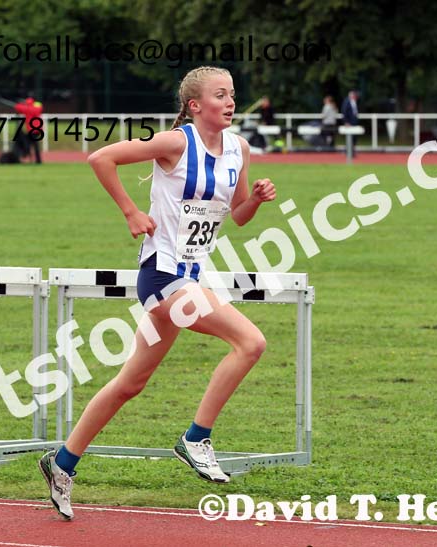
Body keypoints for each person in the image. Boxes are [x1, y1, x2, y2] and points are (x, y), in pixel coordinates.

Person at [38, 66, 277, 521]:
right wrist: (130, 211)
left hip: (191, 276)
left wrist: (257, 200)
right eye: (220, 95)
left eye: (232, 94)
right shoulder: (175, 143)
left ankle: (62, 463)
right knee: (250, 342)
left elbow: (239, 216)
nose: (230, 102)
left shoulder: (239, 149)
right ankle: (195, 437)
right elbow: (100, 159)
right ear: (194, 106)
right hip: (162, 276)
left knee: (131, 382)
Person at [14, 97, 43, 164]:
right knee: (34, 145)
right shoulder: (37, 108)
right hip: (38, 130)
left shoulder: (27, 109)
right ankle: (37, 160)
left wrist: (20, 104)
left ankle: (25, 154)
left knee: (26, 142)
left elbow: (17, 107)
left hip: (32, 130)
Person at [340, 90, 360, 157]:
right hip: (349, 123)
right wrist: (346, 122)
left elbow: (354, 112)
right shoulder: (347, 101)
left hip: (354, 122)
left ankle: (351, 152)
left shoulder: (354, 101)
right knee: (350, 138)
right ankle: (348, 152)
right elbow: (344, 112)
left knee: (354, 138)